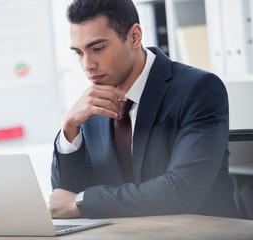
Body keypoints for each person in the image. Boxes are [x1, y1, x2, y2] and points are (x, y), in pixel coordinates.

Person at [49, 0, 239, 219]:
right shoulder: (92, 106)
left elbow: (181, 191)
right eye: (79, 53)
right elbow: (63, 201)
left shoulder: (198, 89)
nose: (87, 65)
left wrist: (82, 202)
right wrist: (69, 129)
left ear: (134, 37)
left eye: (98, 48)